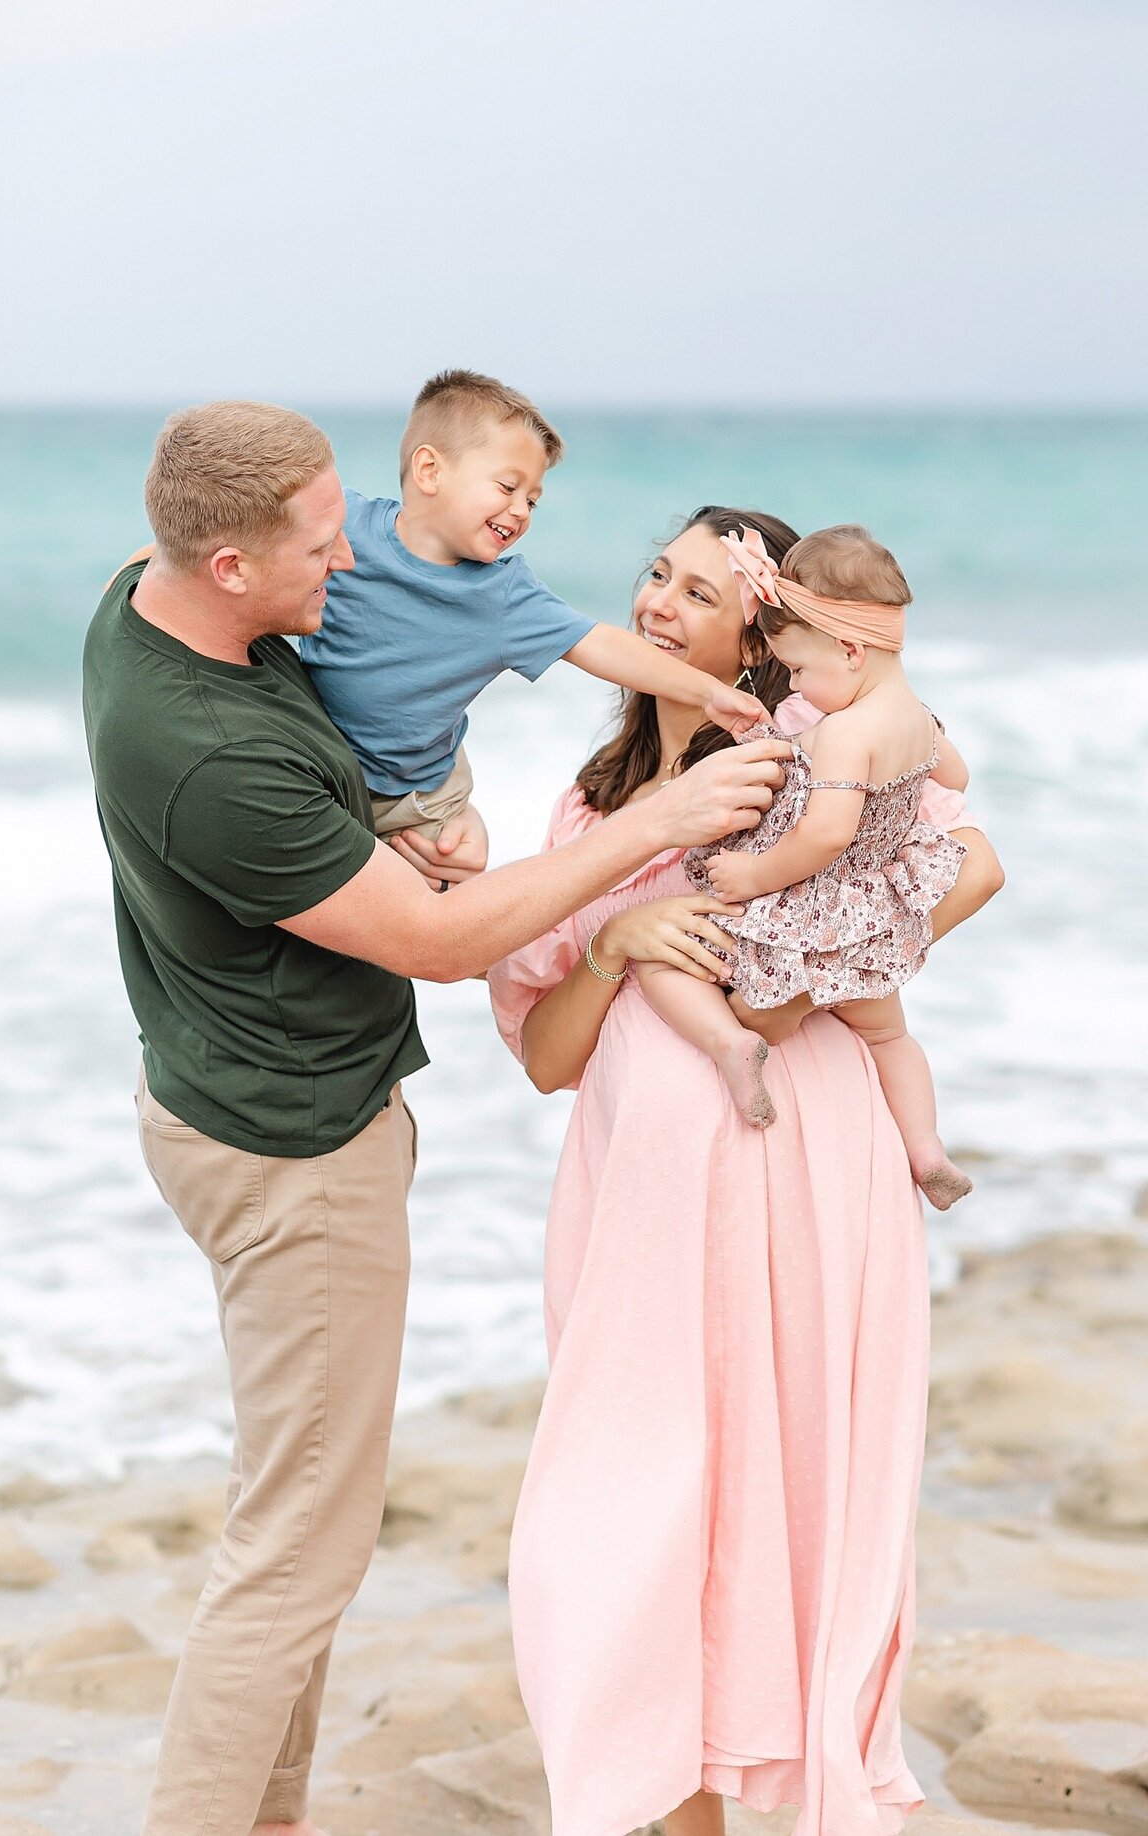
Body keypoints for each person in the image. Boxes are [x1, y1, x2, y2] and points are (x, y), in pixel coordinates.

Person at [81, 404, 791, 1836]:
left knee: (291, 1511)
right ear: (226, 564)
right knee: (298, 1550)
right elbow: (447, 947)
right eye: (320, 547)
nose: (351, 564)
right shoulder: (215, 756)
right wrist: (651, 830)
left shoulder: (149, 607)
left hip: (225, 1094)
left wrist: (409, 824)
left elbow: (364, 812)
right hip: (294, 1155)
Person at [488, 504, 1004, 1836]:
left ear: (764, 638)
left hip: (802, 1173)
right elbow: (547, 1057)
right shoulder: (588, 808)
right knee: (617, 1520)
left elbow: (975, 863)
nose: (658, 605)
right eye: (656, 575)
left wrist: (798, 954)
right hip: (639, 1211)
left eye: (700, 593)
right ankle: (655, 1802)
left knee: (786, 1499)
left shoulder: (804, 764)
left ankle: (759, 1797)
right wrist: (622, 940)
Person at [639, 523, 974, 1210]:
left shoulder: (849, 730)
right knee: (892, 1037)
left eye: (798, 670)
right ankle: (926, 1148)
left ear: (851, 650)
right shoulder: (918, 718)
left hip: (805, 913)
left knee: (660, 963)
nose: (793, 683)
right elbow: (958, 776)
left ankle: (732, 1047)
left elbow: (824, 835)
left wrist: (755, 877)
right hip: (870, 923)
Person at [298, 368, 763, 862]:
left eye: (532, 501)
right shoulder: (345, 526)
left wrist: (710, 692)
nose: (520, 511)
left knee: (418, 910)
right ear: (429, 470)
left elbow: (600, 645)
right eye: (506, 487)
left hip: (413, 801)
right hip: (319, 759)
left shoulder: (503, 595)